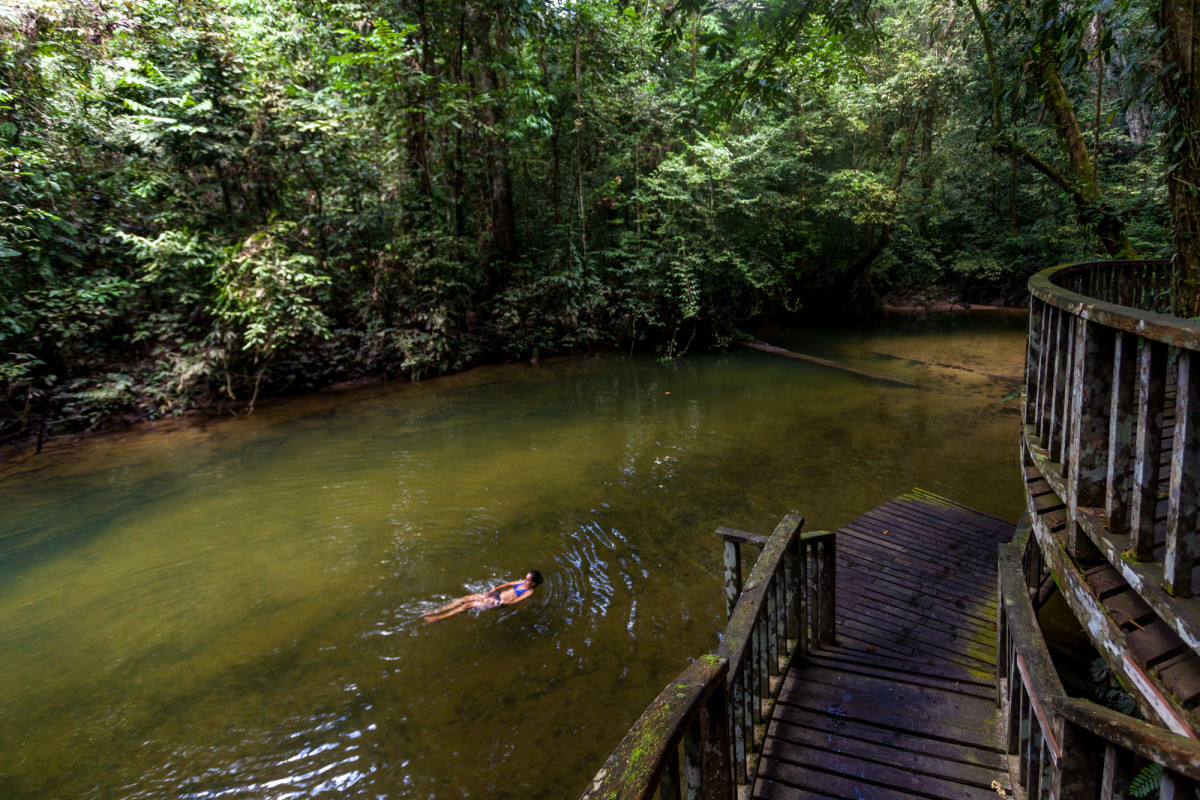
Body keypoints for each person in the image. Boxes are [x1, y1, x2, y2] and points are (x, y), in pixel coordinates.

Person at [423, 570, 544, 623]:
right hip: (497, 595)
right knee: (466, 598)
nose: (525, 580)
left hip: (500, 602)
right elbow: (507, 584)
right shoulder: (523, 582)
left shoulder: (530, 592)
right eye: (526, 578)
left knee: (468, 605)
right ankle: (438, 610)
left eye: (527, 580)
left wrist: (501, 603)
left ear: (533, 583)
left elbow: (516, 601)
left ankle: (441, 618)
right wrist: (493, 590)